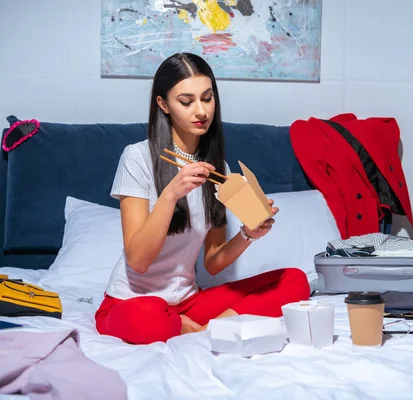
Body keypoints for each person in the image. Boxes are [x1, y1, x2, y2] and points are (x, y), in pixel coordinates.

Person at [95, 52, 310, 345]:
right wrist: (170, 194)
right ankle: (184, 325)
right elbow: (138, 261)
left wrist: (248, 234)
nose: (201, 111)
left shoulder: (218, 169)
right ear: (163, 104)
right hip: (132, 302)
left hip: (188, 304)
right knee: (148, 314)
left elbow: (212, 262)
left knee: (295, 280)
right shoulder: (137, 157)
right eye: (186, 101)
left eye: (207, 98)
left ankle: (199, 328)